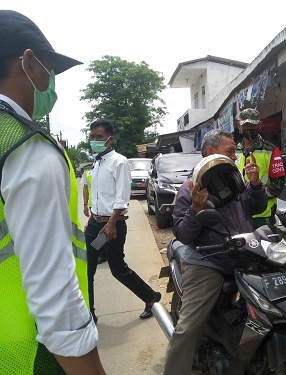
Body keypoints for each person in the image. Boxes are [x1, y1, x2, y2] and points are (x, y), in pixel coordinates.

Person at [0, 10, 105, 374]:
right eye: (50, 68)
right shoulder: (27, 152)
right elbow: (55, 297)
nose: (51, 82)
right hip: (22, 354)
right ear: (28, 64)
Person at [163, 129, 267, 374]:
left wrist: (255, 185)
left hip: (243, 254)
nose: (235, 156)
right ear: (211, 151)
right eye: (230, 151)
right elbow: (183, 234)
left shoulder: (233, 179)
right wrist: (195, 212)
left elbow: (256, 208)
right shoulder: (191, 188)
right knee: (189, 327)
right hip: (207, 261)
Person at [85, 119, 160, 323]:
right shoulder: (97, 162)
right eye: (92, 137)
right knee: (86, 269)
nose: (94, 140)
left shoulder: (120, 162)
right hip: (95, 225)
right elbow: (98, 194)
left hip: (112, 226)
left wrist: (110, 223)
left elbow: (121, 197)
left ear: (110, 139)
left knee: (118, 269)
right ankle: (89, 313)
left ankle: (151, 297)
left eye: (99, 137)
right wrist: (92, 214)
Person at [235, 108, 286, 228]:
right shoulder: (233, 150)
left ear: (260, 125)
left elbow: (278, 185)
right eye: (246, 125)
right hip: (239, 214)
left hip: (263, 216)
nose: (249, 128)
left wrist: (256, 196)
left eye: (253, 125)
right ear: (239, 126)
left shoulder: (271, 150)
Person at [82, 158, 106, 264]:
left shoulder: (107, 167)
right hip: (93, 205)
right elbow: (85, 188)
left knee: (101, 231)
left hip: (105, 206)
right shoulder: (87, 170)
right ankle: (99, 253)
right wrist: (85, 204)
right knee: (92, 231)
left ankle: (103, 254)